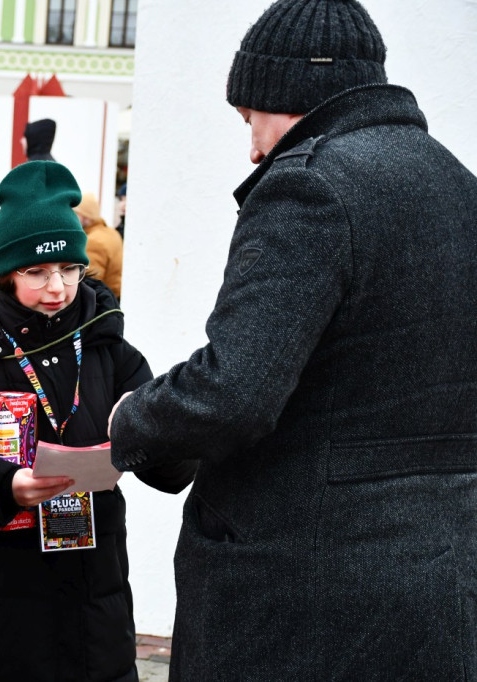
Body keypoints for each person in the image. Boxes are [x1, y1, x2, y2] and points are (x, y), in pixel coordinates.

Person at [108, 1, 477, 679]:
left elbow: (234, 391)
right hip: (442, 587)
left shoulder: (309, 185)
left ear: (290, 96)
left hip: (299, 594)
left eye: (251, 118)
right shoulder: (459, 185)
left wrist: (131, 418)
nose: (252, 146)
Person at [0, 161, 196, 681]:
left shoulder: (107, 344)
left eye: (69, 269)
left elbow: (171, 468)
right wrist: (1, 486)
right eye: (36, 272)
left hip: (92, 597)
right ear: (6, 272)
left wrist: (163, 432)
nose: (57, 287)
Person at [73, 192, 123, 300]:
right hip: (114, 297)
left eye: (74, 213)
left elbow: (89, 283)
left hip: (104, 302)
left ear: (85, 215)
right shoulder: (111, 232)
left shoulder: (94, 241)